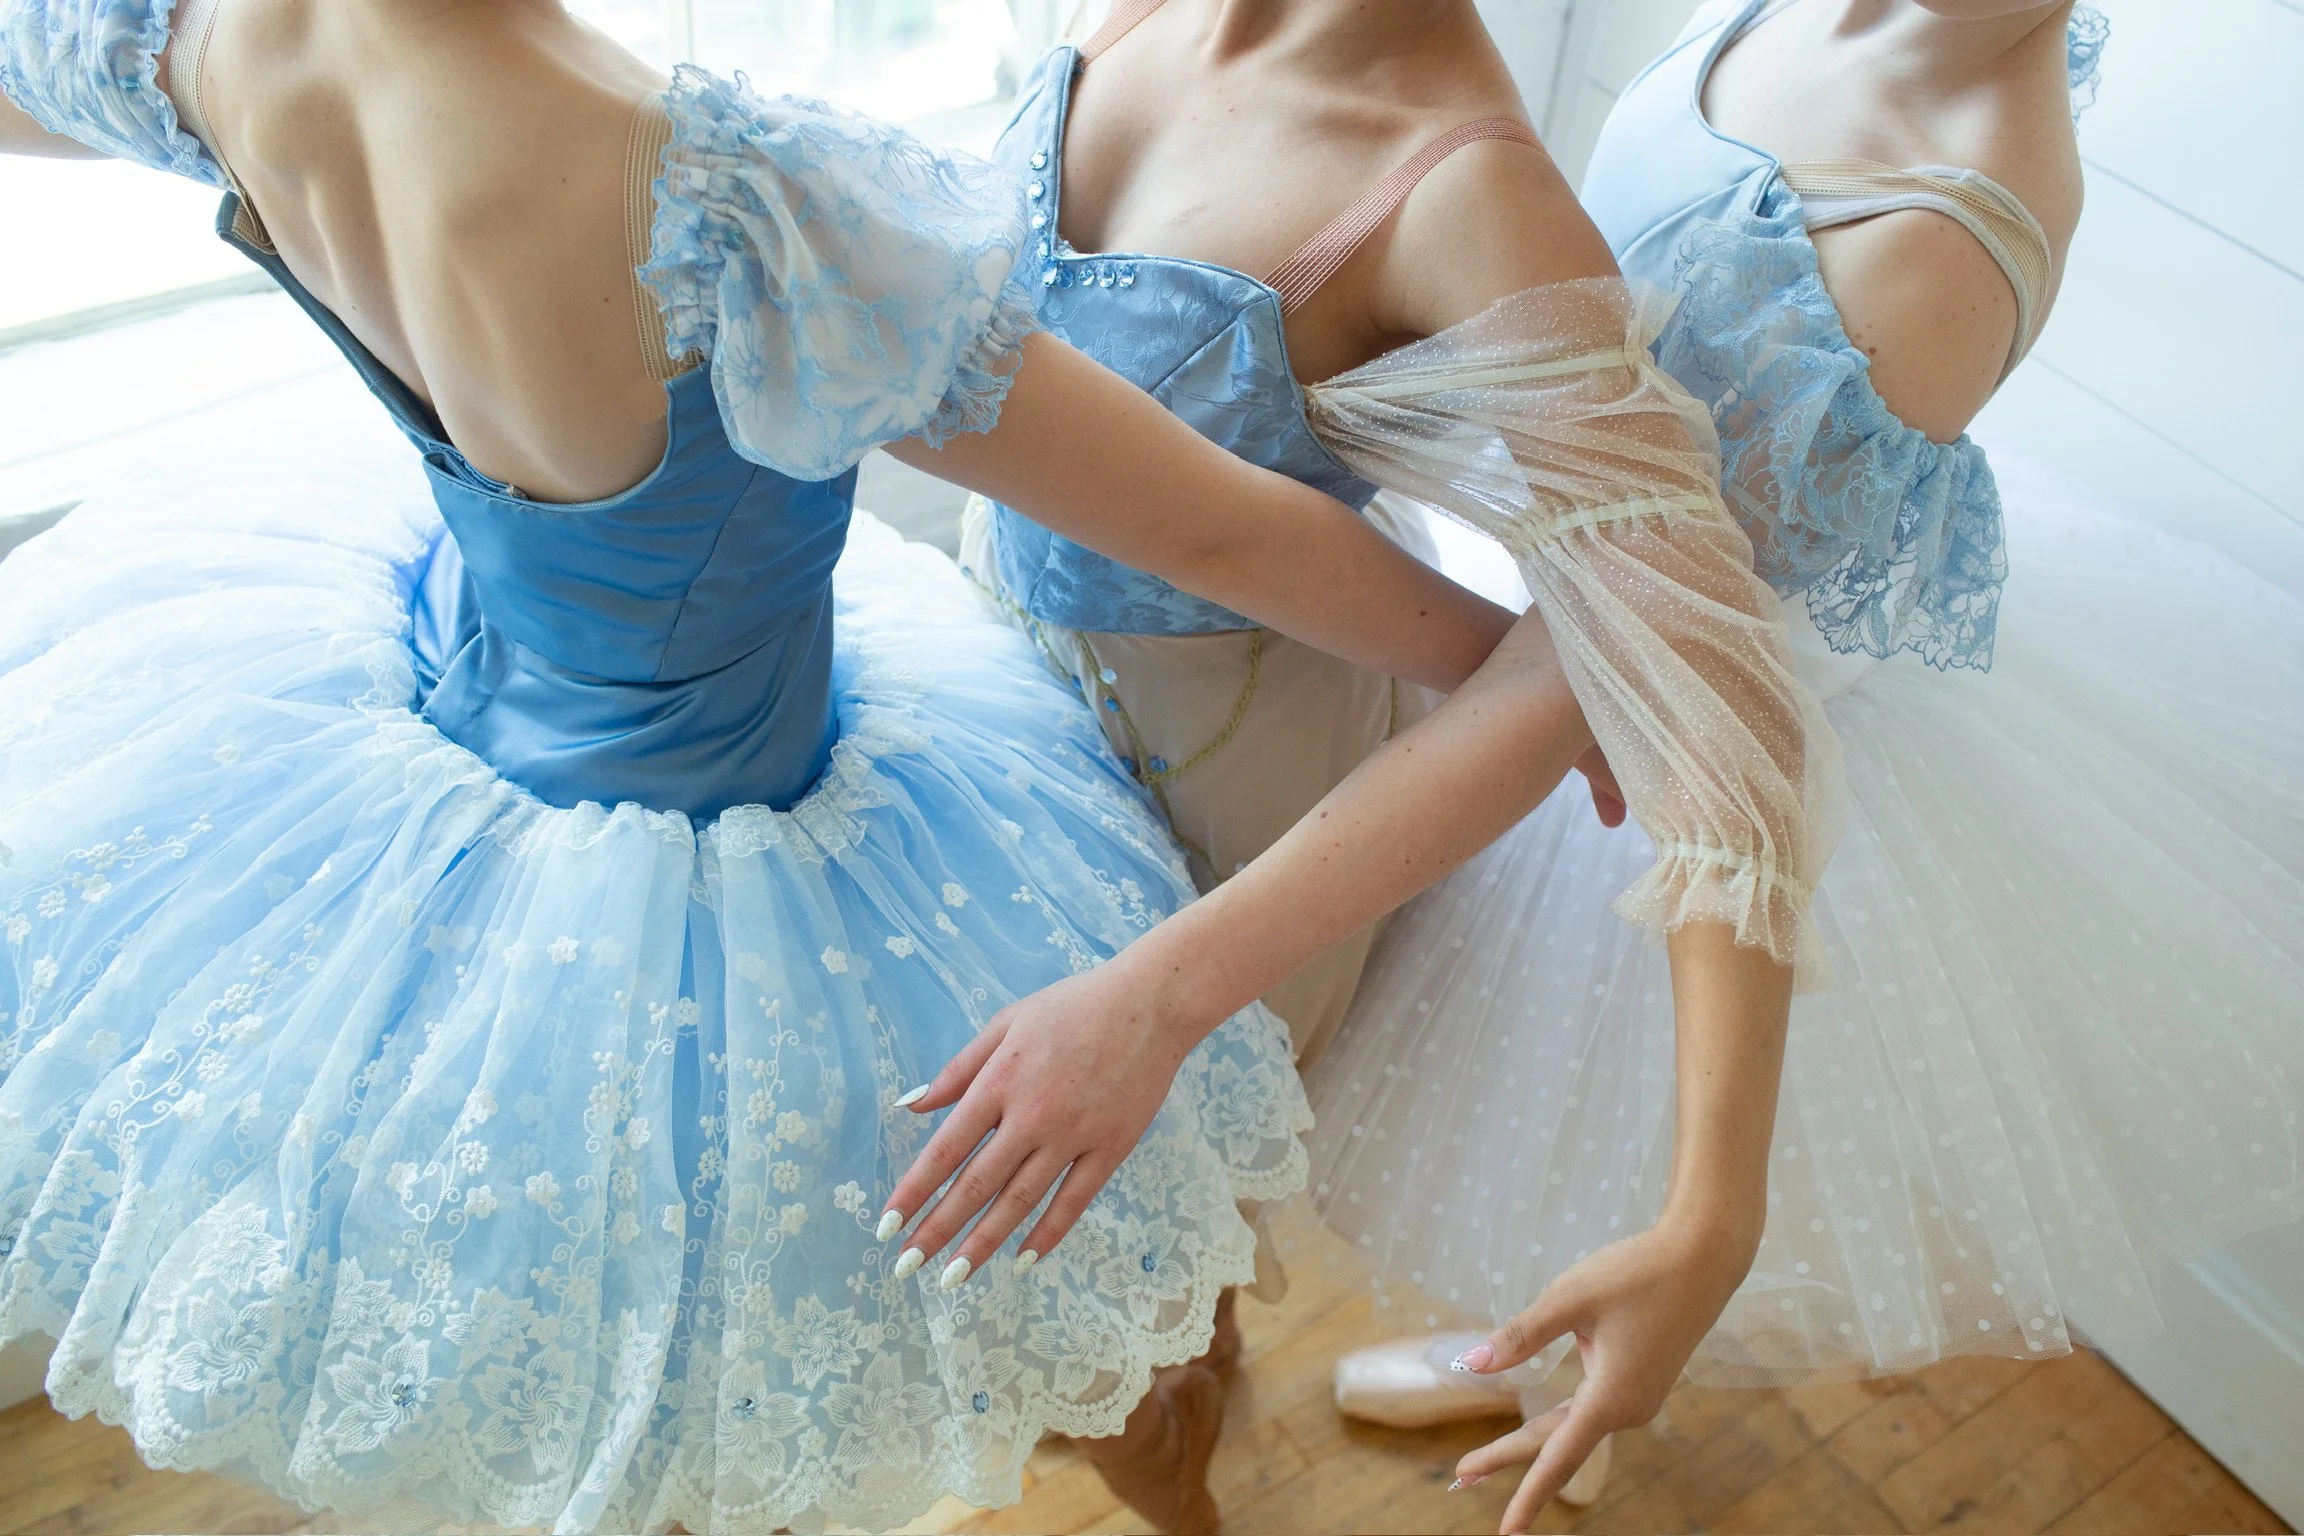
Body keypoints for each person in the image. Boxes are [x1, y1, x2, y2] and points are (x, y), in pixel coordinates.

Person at [0, 1, 1521, 1529]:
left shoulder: (197, 31)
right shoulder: (727, 200)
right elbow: (1214, 529)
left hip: (461, 770)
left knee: (624, 1354)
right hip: (739, 898)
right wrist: (1546, 663)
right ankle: (1169, 1486)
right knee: (995, 1292)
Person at [1313, 2, 2304, 1530]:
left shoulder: (1950, 232)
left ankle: (1545, 1356)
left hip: (1668, 694)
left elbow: (1675, 654)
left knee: (1596, 1084)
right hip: (1561, 532)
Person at [872, 0, 1847, 1528]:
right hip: (996, 661)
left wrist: (1712, 1209)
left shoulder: (1461, 191)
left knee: (1121, 1237)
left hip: (1219, 793)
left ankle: (1179, 1460)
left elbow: (1713, 681)